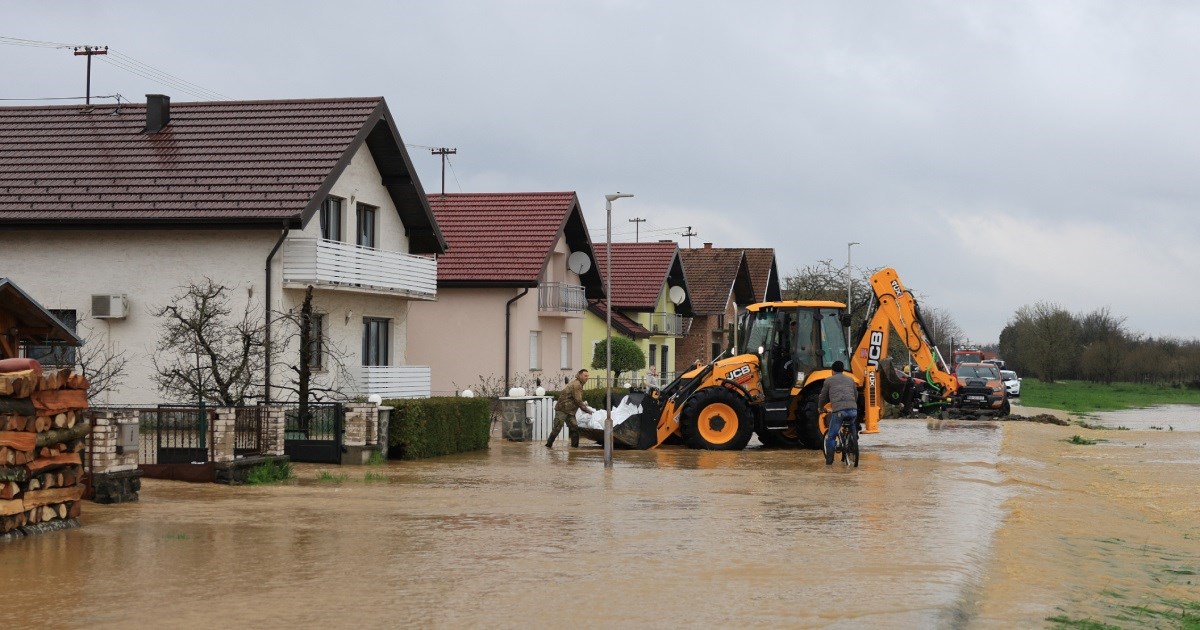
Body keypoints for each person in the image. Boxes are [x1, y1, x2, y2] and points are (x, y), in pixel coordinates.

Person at [818, 360, 858, 465]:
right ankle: (853, 443)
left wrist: (820, 407)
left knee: (831, 436)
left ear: (833, 371)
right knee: (852, 427)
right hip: (853, 410)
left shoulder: (828, 381)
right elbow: (855, 395)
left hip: (839, 411)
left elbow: (823, 397)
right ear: (843, 370)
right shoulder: (850, 380)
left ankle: (829, 462)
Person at [548, 369, 594, 448]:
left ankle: (574, 449)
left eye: (588, 376)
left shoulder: (578, 384)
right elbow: (578, 400)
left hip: (570, 411)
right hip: (562, 409)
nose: (587, 378)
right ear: (580, 375)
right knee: (557, 428)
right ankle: (548, 445)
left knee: (575, 428)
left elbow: (577, 400)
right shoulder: (577, 385)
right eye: (585, 376)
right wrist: (588, 411)